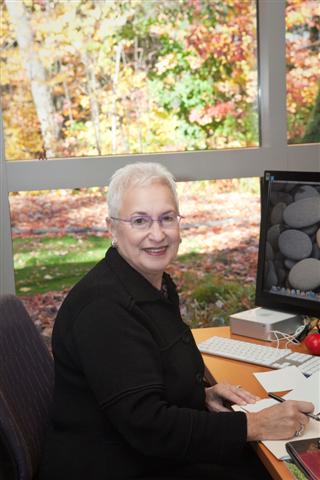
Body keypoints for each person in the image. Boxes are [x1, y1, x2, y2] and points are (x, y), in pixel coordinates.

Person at [39, 162, 314, 480]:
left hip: (144, 453)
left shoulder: (149, 283)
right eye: (139, 221)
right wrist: (255, 423)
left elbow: (147, 378)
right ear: (112, 228)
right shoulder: (104, 309)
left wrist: (201, 396)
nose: (157, 234)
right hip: (115, 466)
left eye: (167, 218)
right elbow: (149, 427)